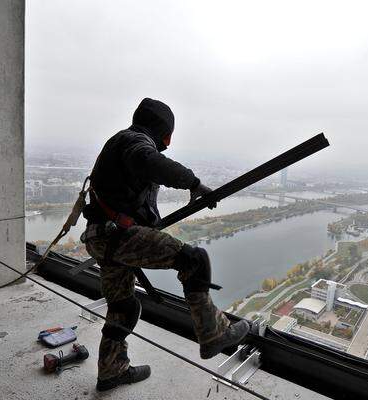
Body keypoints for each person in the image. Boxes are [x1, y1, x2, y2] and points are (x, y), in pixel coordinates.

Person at [83, 98, 250, 392]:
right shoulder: (135, 142)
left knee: (123, 307)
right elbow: (149, 161)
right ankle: (213, 333)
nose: (168, 143)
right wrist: (194, 183)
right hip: (117, 238)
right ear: (165, 133)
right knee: (194, 260)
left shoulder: (120, 142)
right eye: (169, 136)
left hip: (102, 238)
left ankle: (111, 371)